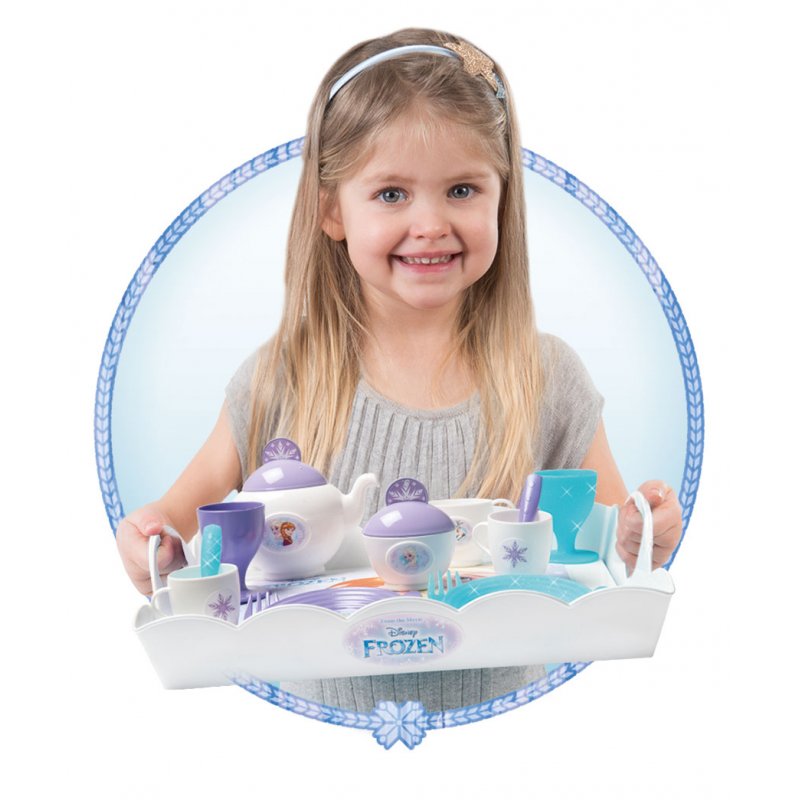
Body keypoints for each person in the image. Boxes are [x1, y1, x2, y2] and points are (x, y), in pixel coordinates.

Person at [116, 28, 683, 711]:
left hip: (510, 732)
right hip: (310, 735)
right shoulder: (279, 378)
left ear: (503, 199)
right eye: (391, 194)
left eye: (462, 189)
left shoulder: (547, 377)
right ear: (331, 209)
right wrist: (152, 543)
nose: (430, 223)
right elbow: (175, 529)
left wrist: (639, 533)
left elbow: (613, 552)